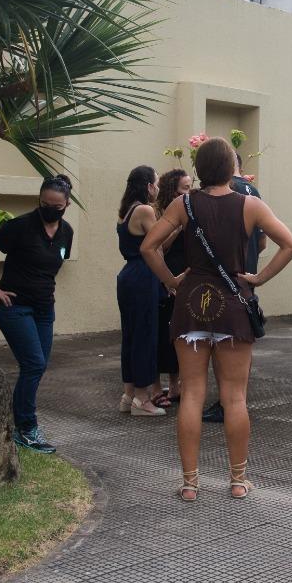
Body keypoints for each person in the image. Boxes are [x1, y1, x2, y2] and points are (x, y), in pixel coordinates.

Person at [142, 137, 292, 502]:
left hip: (191, 304)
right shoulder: (250, 205)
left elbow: (148, 246)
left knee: (192, 394)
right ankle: (238, 480)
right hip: (233, 304)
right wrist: (259, 278)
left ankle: (190, 483)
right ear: (232, 169)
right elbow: (290, 244)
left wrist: (171, 281)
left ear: (198, 169)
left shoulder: (183, 204)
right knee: (234, 397)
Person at [0, 175, 76, 454]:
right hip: (14, 306)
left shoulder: (66, 232)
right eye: (45, 204)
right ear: (39, 200)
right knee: (33, 364)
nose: (50, 209)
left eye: (57, 206)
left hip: (44, 308)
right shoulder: (21, 226)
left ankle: (18, 423)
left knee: (37, 366)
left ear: (67, 204)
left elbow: (54, 264)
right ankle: (26, 428)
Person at [200, 155, 269, 425]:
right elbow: (262, 242)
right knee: (242, 341)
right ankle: (237, 397)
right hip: (246, 278)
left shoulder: (226, 191)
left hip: (222, 279)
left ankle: (226, 402)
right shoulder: (254, 192)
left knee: (221, 343)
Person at [116, 166, 167, 417]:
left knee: (131, 336)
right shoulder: (145, 210)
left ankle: (128, 395)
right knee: (145, 337)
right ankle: (142, 399)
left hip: (128, 276)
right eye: (156, 183)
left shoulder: (126, 211)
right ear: (149, 186)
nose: (158, 188)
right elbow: (158, 244)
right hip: (144, 275)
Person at [154, 169, 192, 407]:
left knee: (182, 331)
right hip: (168, 274)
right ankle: (161, 386)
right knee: (165, 331)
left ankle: (177, 385)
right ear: (172, 190)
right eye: (185, 188)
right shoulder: (160, 213)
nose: (189, 192)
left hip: (187, 274)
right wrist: (177, 228)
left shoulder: (191, 210)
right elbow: (158, 247)